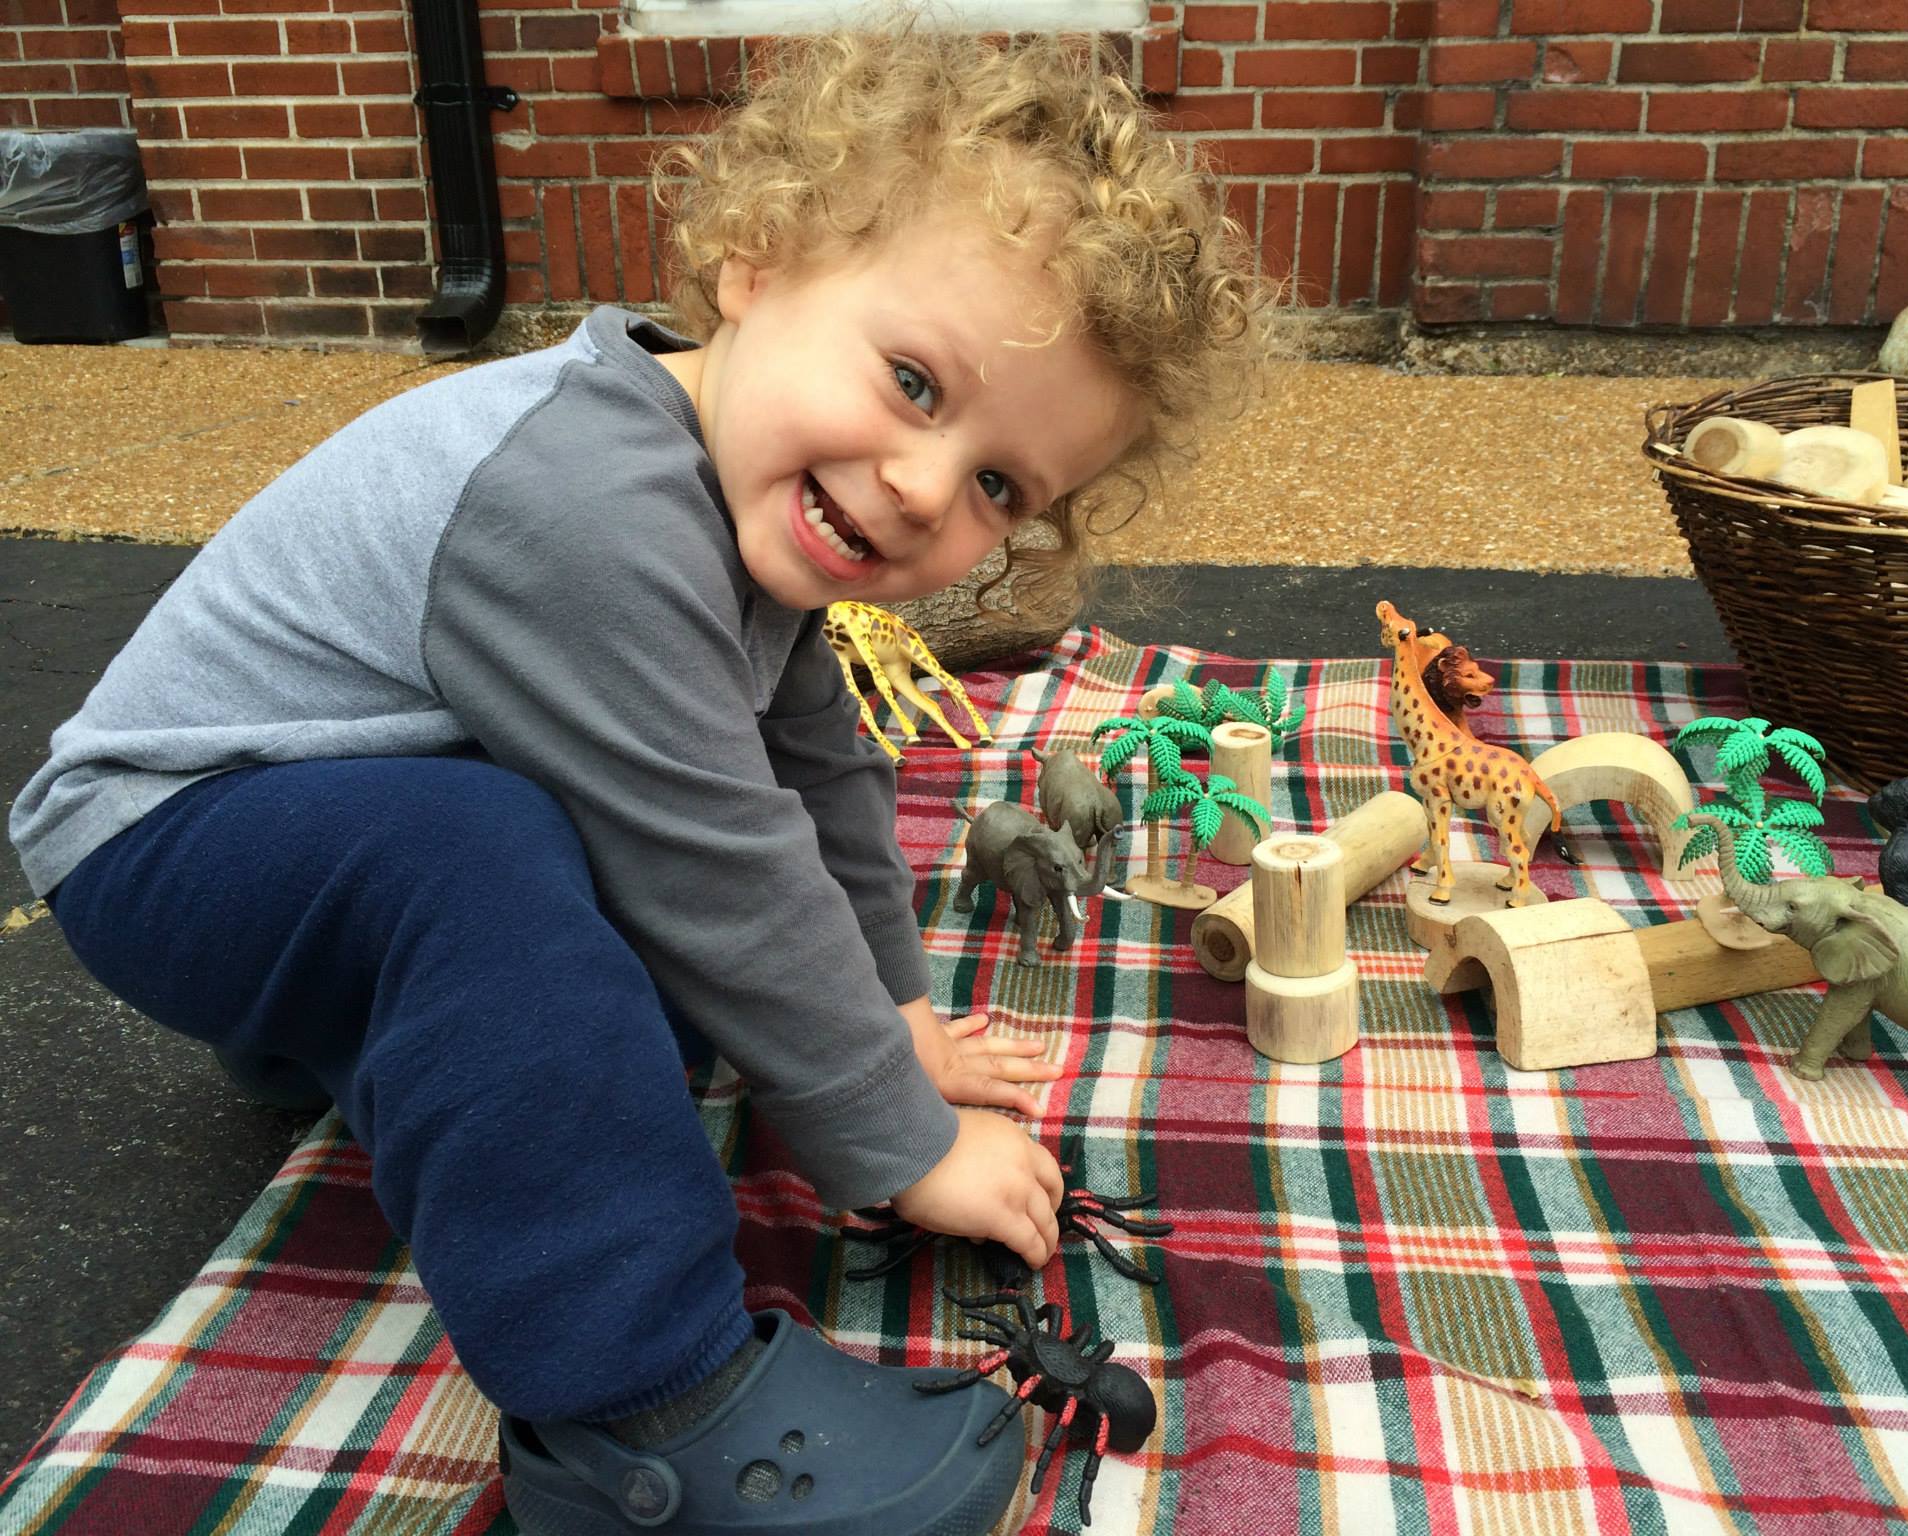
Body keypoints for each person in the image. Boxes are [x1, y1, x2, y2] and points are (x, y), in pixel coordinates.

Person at [10, 16, 1271, 1535]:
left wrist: (896, 1022)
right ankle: (645, 1411)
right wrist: (901, 1138)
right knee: (488, 861)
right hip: (163, 843)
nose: (929, 487)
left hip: (313, 838)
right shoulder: (585, 512)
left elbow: (817, 773)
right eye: (916, 384)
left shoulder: (738, 501)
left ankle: (361, 1035)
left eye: (1001, 484)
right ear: (759, 262)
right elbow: (717, 858)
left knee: (546, 885)